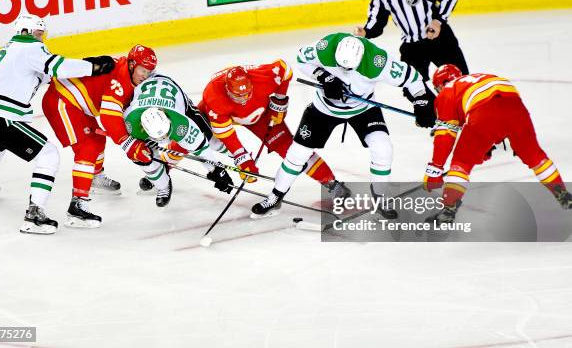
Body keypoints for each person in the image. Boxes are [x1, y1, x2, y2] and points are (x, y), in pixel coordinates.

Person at [252, 33, 434, 219]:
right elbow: (301, 59)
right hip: (323, 108)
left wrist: (421, 101)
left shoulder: (379, 61)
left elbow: (413, 78)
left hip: (363, 108)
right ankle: (275, 197)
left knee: (383, 147)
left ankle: (380, 195)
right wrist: (324, 76)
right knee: (297, 153)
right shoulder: (326, 47)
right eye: (340, 66)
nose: (344, 70)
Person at [0, 13, 115, 234]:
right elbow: (58, 67)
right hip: (2, 116)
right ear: (25, 31)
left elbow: (50, 74)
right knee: (48, 154)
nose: (41, 38)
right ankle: (34, 215)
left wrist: (85, 64)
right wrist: (93, 68)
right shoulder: (29, 48)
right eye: (38, 32)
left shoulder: (9, 49)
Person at [423, 64, 572, 224]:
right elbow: (500, 110)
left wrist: (435, 170)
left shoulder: (446, 92)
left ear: (440, 84)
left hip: (483, 114)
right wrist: (488, 141)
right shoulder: (482, 77)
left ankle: (448, 210)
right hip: (516, 109)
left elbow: (445, 136)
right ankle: (562, 194)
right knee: (535, 156)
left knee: (461, 162)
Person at [197, 60, 347, 205]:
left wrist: (280, 100)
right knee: (193, 132)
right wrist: (241, 157)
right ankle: (171, 163)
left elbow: (285, 69)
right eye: (237, 96)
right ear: (227, 89)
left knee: (290, 149)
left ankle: (331, 183)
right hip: (224, 116)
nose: (242, 100)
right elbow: (225, 133)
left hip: (261, 115)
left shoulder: (263, 77)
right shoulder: (213, 95)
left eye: (246, 94)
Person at [42, 44, 157, 228]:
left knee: (97, 139)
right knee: (87, 147)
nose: (145, 75)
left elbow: (122, 112)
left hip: (77, 106)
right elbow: (110, 118)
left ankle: (94, 177)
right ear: (132, 64)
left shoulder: (128, 75)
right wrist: (130, 144)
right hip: (61, 101)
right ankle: (77, 207)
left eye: (149, 71)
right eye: (143, 70)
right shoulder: (120, 79)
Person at [123, 73, 235, 204]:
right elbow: (115, 128)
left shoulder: (180, 122)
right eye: (158, 137)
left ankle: (237, 155)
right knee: (143, 158)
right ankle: (163, 186)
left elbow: (200, 148)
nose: (164, 139)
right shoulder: (131, 122)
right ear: (143, 127)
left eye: (165, 134)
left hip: (173, 95)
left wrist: (216, 170)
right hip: (144, 100)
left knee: (210, 139)